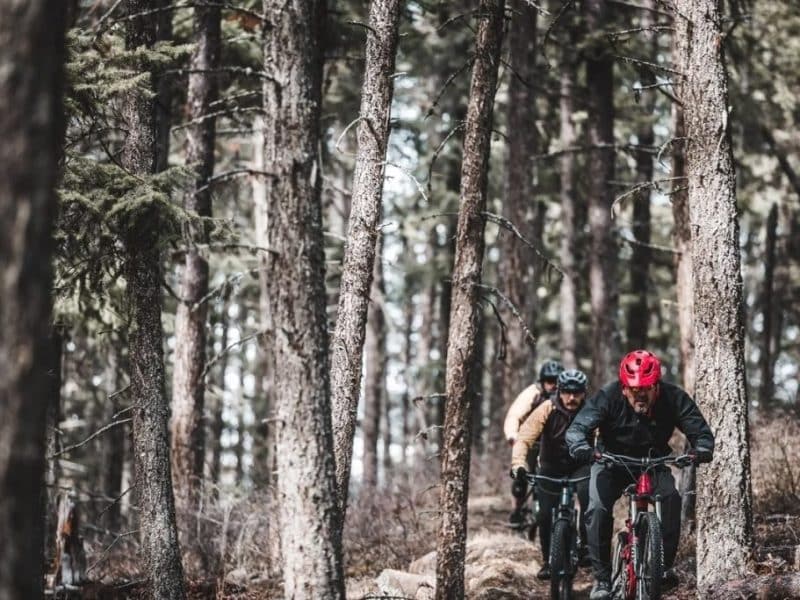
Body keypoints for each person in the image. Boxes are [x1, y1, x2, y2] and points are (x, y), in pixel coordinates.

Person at [566, 350, 715, 600]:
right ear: (624, 389)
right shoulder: (608, 396)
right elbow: (578, 428)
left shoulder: (674, 397)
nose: (640, 395)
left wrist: (701, 449)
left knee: (670, 497)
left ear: (656, 386)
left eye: (646, 388)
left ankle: (662, 567)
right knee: (597, 509)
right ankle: (602, 578)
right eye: (634, 390)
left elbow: (701, 432)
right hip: (611, 462)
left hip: (653, 461)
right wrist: (581, 446)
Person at [510, 368, 591, 580]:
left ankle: (586, 548)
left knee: (588, 498)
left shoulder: (592, 410)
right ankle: (548, 561)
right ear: (559, 390)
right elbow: (525, 437)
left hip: (580, 466)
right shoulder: (547, 408)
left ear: (584, 392)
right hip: (550, 466)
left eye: (577, 393)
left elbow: (603, 437)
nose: (572, 398)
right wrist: (519, 464)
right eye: (567, 392)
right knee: (545, 514)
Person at [504, 360, 563, 526]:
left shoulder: (566, 396)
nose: (554, 386)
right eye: (550, 381)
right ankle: (517, 509)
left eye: (557, 382)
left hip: (553, 444)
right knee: (521, 475)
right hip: (531, 442)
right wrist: (512, 435)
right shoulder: (531, 394)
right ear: (542, 381)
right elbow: (514, 415)